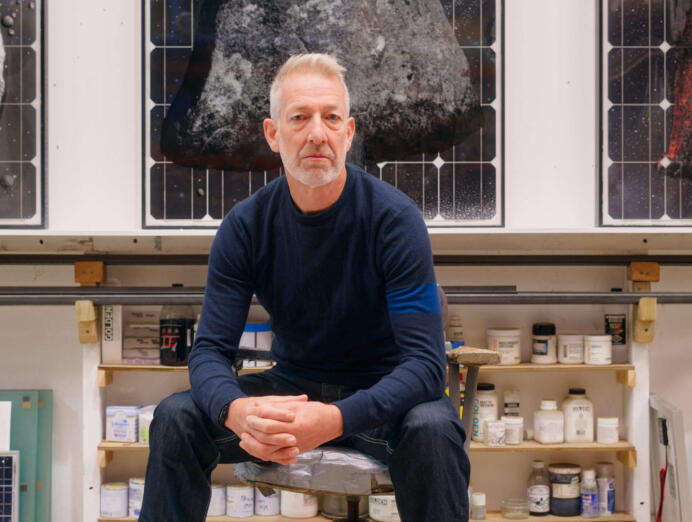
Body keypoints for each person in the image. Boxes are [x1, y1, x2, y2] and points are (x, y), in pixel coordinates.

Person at [139, 53, 470, 522]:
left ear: (348, 132)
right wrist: (236, 411)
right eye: (299, 117)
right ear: (274, 134)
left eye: (331, 117)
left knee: (434, 426)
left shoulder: (395, 220)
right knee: (176, 417)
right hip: (292, 390)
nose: (317, 133)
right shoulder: (245, 227)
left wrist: (335, 419)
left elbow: (425, 367)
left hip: (380, 395)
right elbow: (209, 351)